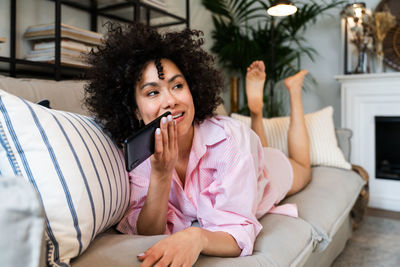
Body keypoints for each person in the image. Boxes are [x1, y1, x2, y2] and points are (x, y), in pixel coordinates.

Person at [84, 22, 311, 267]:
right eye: (152, 93)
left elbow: (237, 232)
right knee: (258, 147)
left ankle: (291, 92)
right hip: (247, 155)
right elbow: (146, 233)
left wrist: (196, 237)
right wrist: (161, 174)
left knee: (303, 168)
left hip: (262, 171)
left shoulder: (231, 140)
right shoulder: (139, 159)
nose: (170, 101)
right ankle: (256, 113)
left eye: (177, 85)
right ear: (134, 110)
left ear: (192, 88)